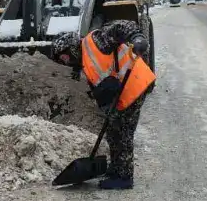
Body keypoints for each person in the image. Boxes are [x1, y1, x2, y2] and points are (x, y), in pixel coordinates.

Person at [48, 20, 155, 190]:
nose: (66, 62)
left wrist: (137, 37)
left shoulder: (96, 42)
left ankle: (124, 177)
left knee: (123, 131)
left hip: (135, 83)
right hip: (124, 89)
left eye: (65, 57)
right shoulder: (84, 60)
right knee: (113, 130)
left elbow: (120, 26)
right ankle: (116, 169)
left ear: (71, 47)